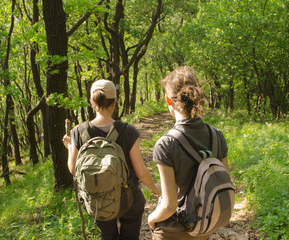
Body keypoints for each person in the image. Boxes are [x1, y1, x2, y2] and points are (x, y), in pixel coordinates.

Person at [62, 79, 161, 240]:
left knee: (108, 236)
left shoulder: (78, 132)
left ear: (91, 102)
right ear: (115, 102)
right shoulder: (128, 131)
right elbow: (140, 172)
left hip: (99, 200)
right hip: (129, 199)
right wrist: (154, 187)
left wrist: (69, 148)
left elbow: (73, 169)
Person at [148, 67, 229, 240]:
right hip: (203, 227)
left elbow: (169, 206)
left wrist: (152, 218)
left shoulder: (166, 144)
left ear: (169, 101)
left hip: (172, 232)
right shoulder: (217, 136)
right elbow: (224, 181)